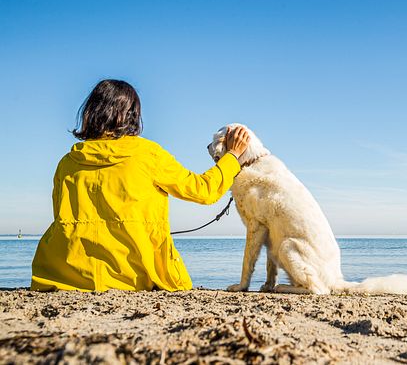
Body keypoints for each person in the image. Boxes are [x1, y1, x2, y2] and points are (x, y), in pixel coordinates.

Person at [31, 79, 249, 291]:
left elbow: (61, 216)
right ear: (132, 115)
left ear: (91, 112)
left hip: (62, 273)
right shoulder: (148, 155)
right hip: (131, 276)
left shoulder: (67, 162)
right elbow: (204, 191)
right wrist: (232, 156)